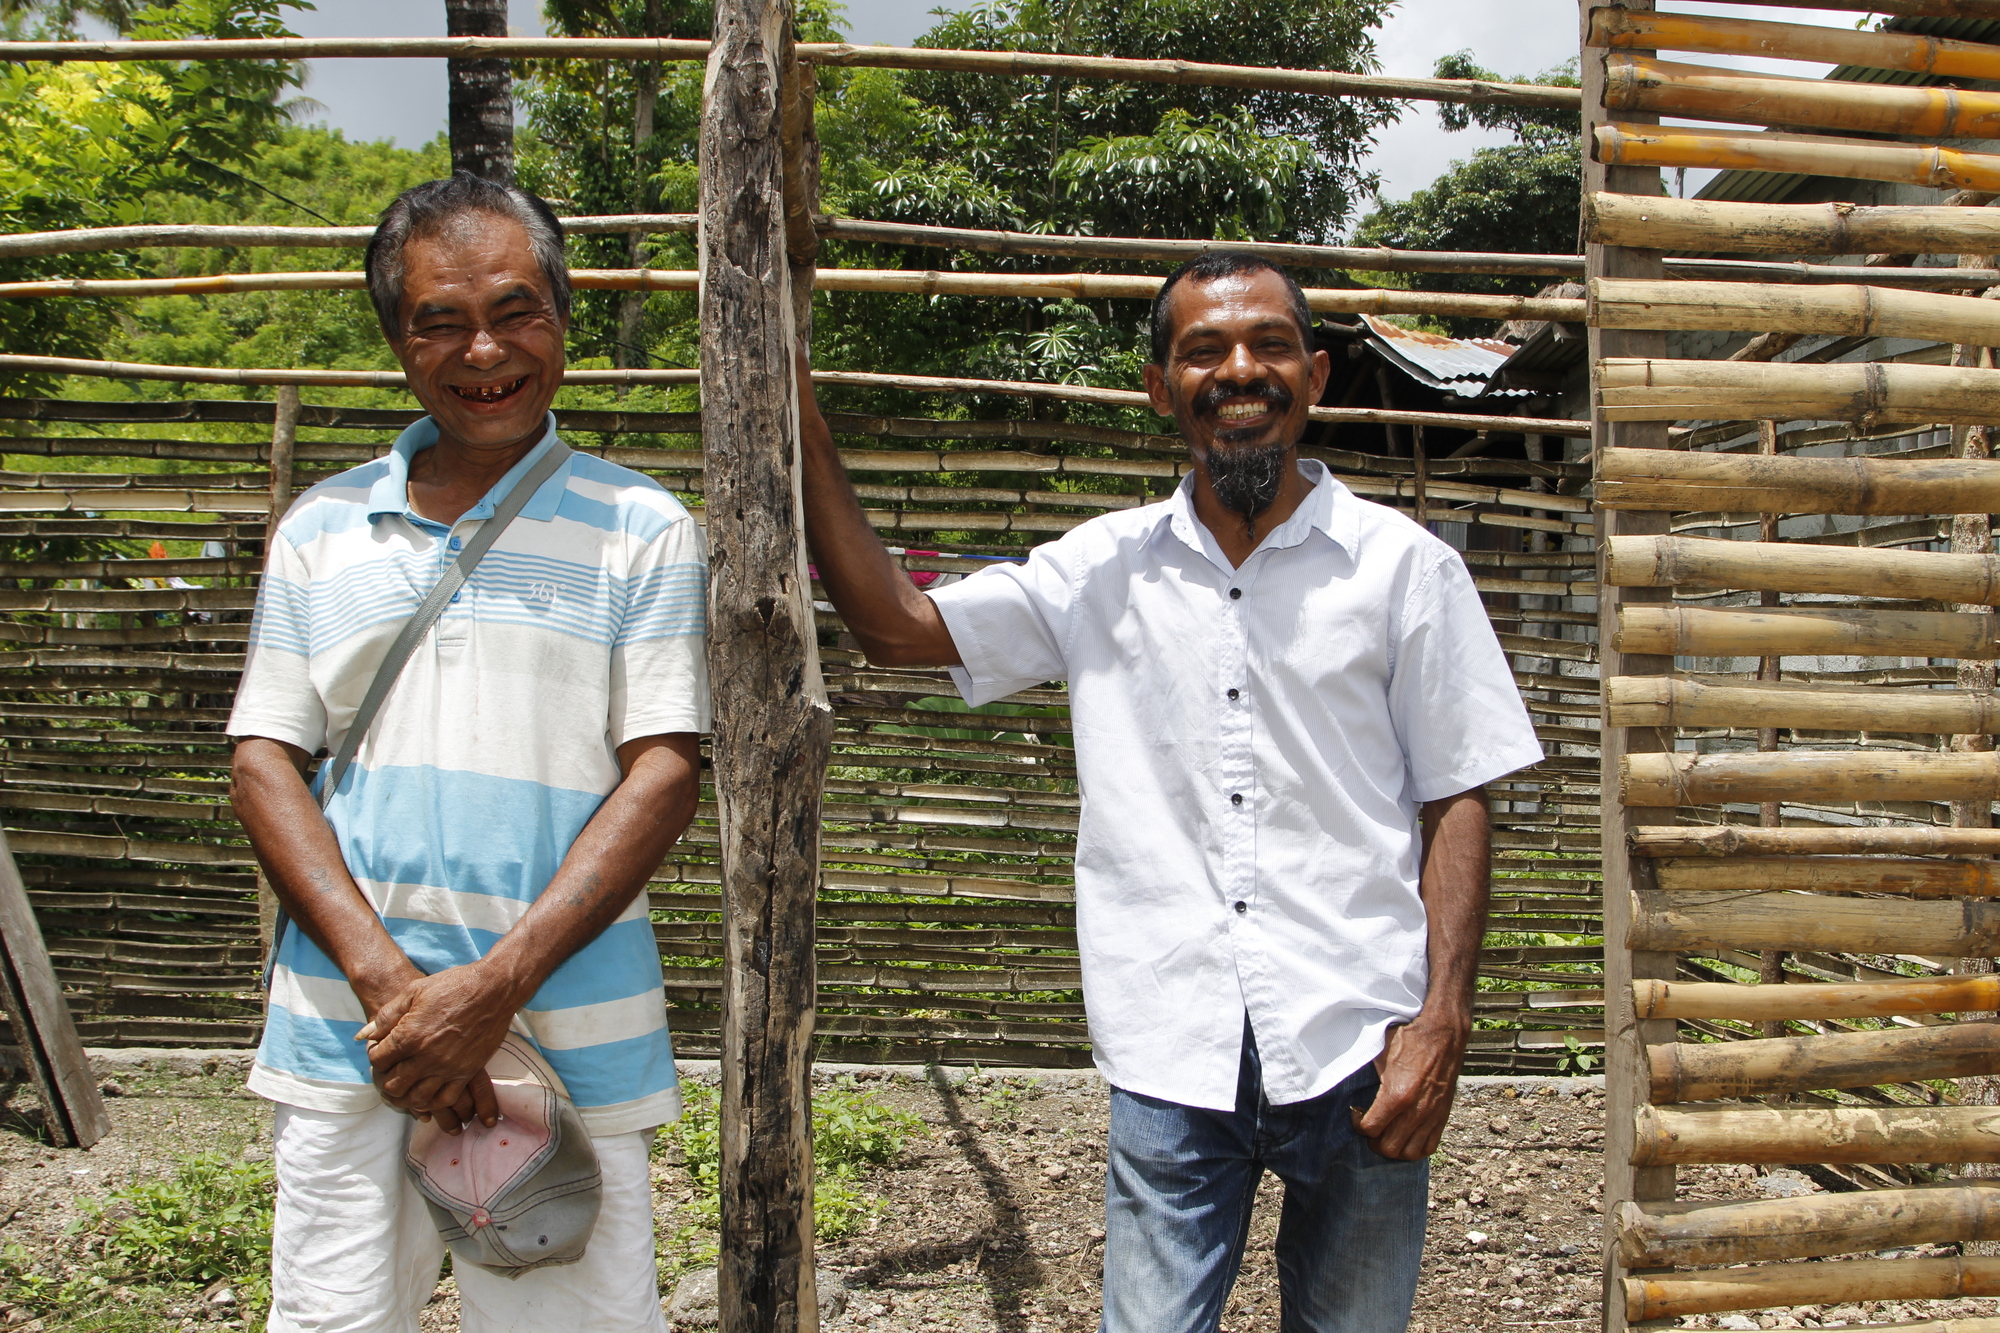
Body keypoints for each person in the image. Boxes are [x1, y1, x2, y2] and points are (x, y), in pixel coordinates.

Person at [798, 252, 1542, 1333]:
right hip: (1170, 1045)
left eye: (1268, 345)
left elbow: (1456, 795)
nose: (1239, 370)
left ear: (1316, 374)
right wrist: (802, 423)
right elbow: (897, 630)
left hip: (1360, 1041)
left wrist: (1440, 1018)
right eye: (1203, 350)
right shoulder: (1095, 571)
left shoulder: (1403, 570)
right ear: (1160, 388)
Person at [229, 174, 709, 1333]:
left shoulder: (640, 526)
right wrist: (399, 991)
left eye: (513, 310)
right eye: (438, 320)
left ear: (563, 314)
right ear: (397, 339)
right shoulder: (321, 529)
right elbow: (262, 761)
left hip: (564, 1023)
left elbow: (664, 770)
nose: (481, 348)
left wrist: (492, 990)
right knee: (334, 1319)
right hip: (355, 1028)